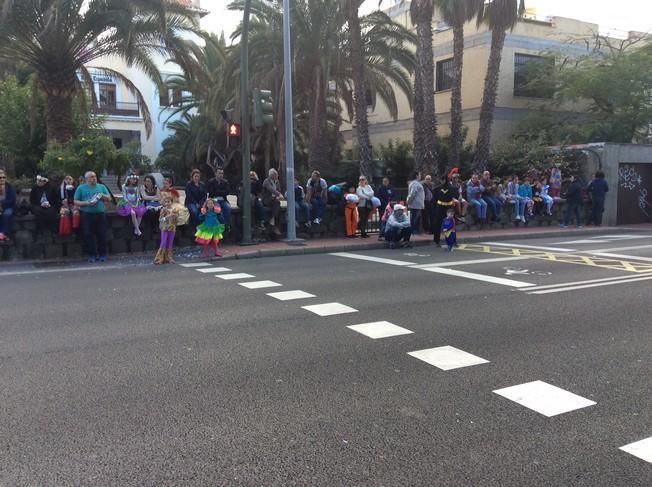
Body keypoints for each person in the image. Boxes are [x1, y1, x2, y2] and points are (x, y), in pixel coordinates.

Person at [74, 171, 111, 263]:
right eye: (91, 177)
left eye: (94, 176)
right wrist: (86, 203)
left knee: (102, 234)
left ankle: (102, 254)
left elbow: (109, 198)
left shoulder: (101, 187)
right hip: (87, 214)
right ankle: (92, 255)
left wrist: (102, 196)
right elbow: (76, 201)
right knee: (88, 234)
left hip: (100, 214)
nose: (94, 178)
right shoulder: (81, 188)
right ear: (86, 179)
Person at [432, 174, 457, 247]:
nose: (442, 181)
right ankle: (436, 241)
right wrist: (434, 208)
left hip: (449, 207)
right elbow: (434, 199)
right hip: (440, 207)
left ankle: (453, 241)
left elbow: (456, 196)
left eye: (443, 179)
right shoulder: (437, 189)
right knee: (437, 224)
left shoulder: (452, 188)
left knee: (452, 224)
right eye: (441, 180)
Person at [154, 195, 178, 264]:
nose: (167, 203)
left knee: (170, 243)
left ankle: (169, 258)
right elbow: (160, 219)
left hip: (172, 227)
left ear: (171, 202)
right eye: (166, 202)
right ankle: (159, 258)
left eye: (169, 202)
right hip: (164, 227)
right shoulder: (163, 210)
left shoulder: (175, 210)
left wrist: (175, 216)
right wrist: (167, 217)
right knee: (163, 242)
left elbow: (176, 220)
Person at [262, 168, 284, 236]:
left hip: (274, 199)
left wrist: (278, 195)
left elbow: (279, 189)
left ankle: (273, 221)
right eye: (276, 175)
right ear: (272, 175)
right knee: (277, 203)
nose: (277, 176)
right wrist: (279, 195)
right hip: (266, 199)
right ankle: (274, 224)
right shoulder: (266, 181)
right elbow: (271, 189)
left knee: (278, 206)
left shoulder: (277, 182)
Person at [0, 168, 16, 241]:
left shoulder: (10, 187)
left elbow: (12, 200)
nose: (2, 179)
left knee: (7, 214)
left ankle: (5, 234)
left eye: (4, 177)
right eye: (0, 177)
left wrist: (2, 204)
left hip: (8, 207)